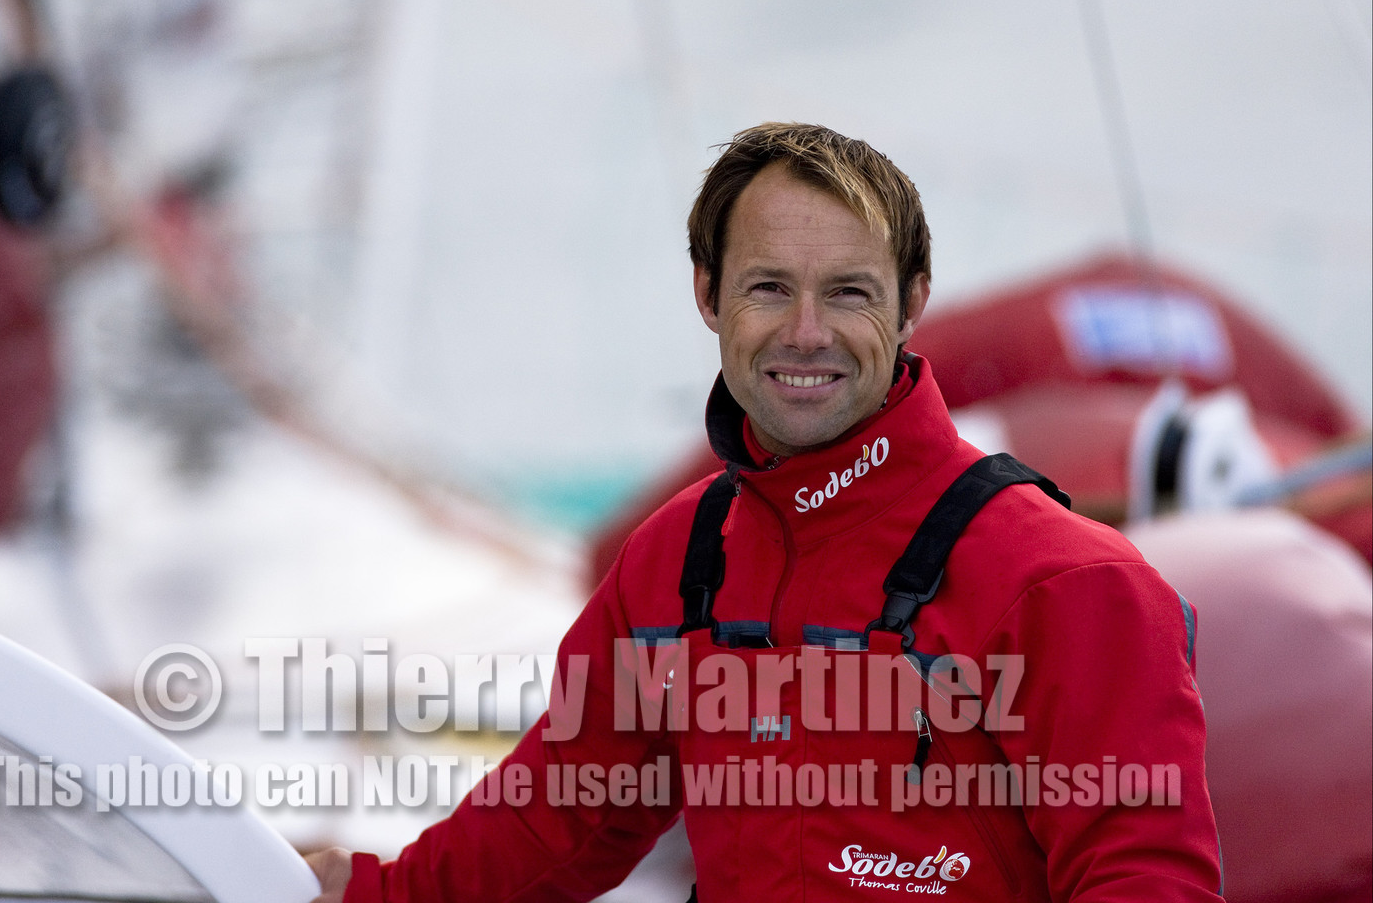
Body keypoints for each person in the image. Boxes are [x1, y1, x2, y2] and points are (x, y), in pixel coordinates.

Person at [307, 123, 1224, 901]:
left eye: (849, 293)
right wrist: (355, 889)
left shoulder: (1064, 583)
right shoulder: (677, 562)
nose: (807, 333)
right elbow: (556, 823)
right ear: (709, 295)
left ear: (913, 304)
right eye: (769, 287)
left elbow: (1147, 879)